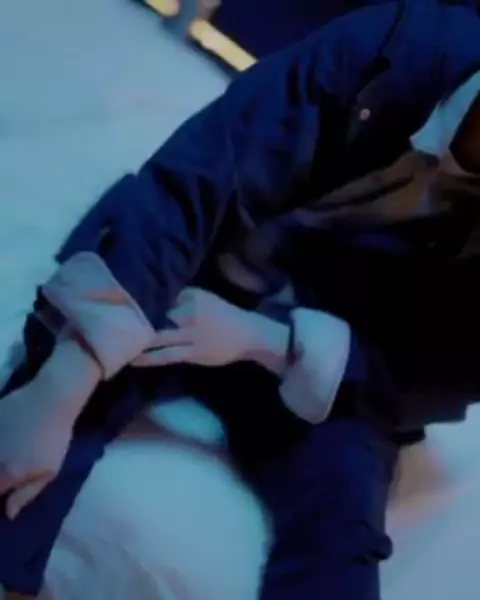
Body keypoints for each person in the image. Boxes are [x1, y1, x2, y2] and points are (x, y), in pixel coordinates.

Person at [2, 0, 480, 597]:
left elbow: (442, 373)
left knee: (340, 531)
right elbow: (196, 183)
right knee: (38, 437)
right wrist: (62, 382)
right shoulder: (403, 43)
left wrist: (270, 341)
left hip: (342, 357)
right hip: (196, 278)